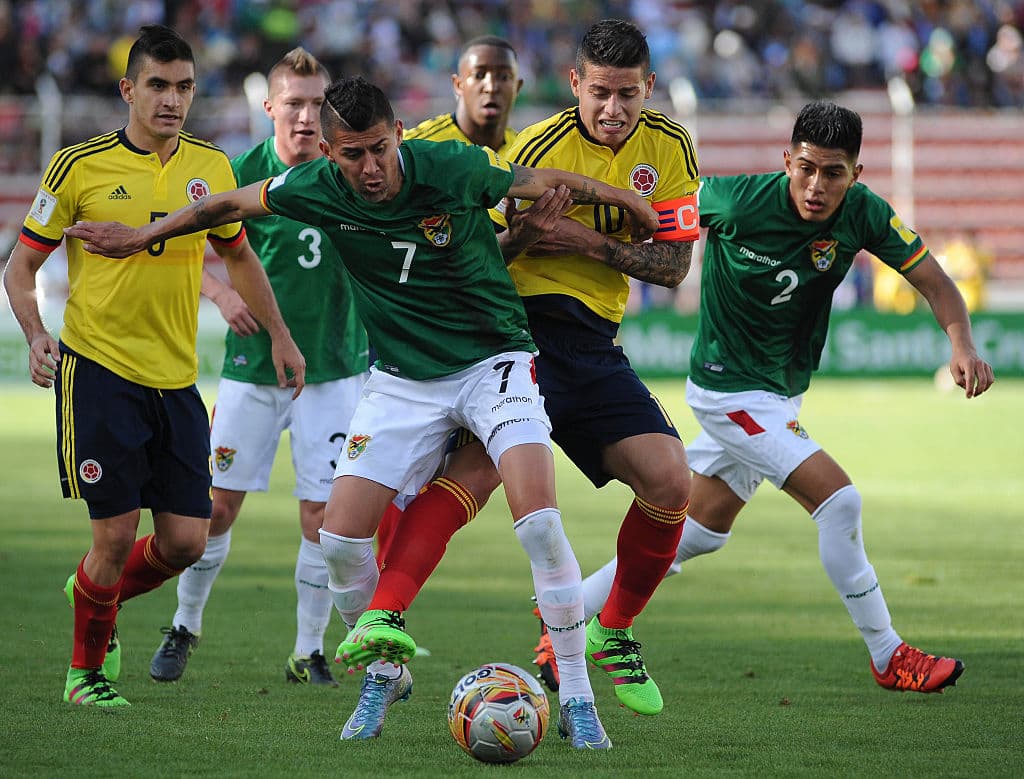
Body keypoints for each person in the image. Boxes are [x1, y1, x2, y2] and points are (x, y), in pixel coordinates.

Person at [65, 76, 659, 746]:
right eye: (353, 154)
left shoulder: (451, 167)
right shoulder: (314, 186)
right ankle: (384, 673)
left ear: (398, 135)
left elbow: (540, 180)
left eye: (380, 149)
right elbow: (223, 205)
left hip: (494, 362)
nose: (370, 167)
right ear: (328, 151)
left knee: (540, 522)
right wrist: (140, 235)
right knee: (340, 540)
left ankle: (578, 698)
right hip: (401, 379)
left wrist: (625, 198)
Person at [575, 100, 994, 694]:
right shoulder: (735, 200)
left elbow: (935, 281)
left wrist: (962, 344)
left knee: (700, 529)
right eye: (806, 168)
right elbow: (648, 218)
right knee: (839, 503)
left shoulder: (864, 213)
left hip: (780, 393)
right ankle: (889, 655)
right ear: (786, 161)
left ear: (855, 174)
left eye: (833, 173)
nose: (816, 186)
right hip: (727, 389)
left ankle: (565, 615)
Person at [367, 18, 700, 718]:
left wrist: (577, 237)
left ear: (649, 88)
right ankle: (383, 615)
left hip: (596, 343)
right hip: (519, 332)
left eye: (628, 94)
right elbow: (485, 257)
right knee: (475, 475)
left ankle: (611, 628)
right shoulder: (536, 149)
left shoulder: (671, 146)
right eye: (600, 92)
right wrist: (531, 233)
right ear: (575, 83)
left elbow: (672, 267)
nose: (613, 108)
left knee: (672, 481)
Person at [2, 24, 305, 708]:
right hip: (98, 370)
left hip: (176, 378)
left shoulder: (213, 167)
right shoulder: (77, 167)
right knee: (114, 536)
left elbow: (239, 256)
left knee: (186, 543)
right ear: (128, 89)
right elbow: (21, 267)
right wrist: (37, 332)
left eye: (184, 88)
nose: (172, 100)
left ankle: (93, 592)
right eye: (158, 86)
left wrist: (281, 335)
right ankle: (86, 675)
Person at [148, 48, 368, 688]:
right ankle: (185, 625)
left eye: (316, 104)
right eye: (293, 104)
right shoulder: (240, 174)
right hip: (252, 371)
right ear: (269, 107)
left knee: (323, 519)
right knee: (216, 509)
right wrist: (220, 293)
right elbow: (177, 246)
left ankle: (308, 650)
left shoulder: (348, 170)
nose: (306, 117)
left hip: (334, 370)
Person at [373, 35, 522, 566]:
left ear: (518, 85)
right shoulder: (420, 147)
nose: (490, 85)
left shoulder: (525, 153)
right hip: (421, 340)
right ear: (458, 83)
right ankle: (382, 599)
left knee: (488, 468)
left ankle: (389, 598)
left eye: (501, 75)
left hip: (493, 344)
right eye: (479, 74)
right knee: (396, 482)